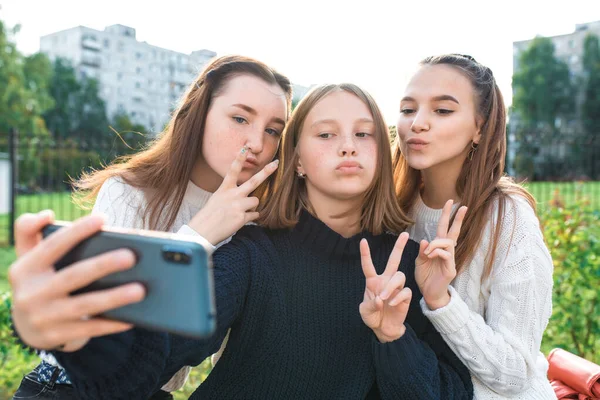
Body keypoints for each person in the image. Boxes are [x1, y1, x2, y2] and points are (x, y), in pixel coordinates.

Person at [11, 83, 473, 399]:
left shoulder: (409, 264)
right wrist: (79, 335)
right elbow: (152, 358)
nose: (348, 146)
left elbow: (451, 392)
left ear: (380, 151)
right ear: (297, 162)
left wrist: (393, 337)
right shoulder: (254, 252)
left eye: (363, 134)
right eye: (326, 134)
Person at [10, 54, 292, 399]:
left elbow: (236, 358)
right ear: (199, 113)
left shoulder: (254, 224)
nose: (258, 143)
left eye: (273, 130)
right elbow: (113, 335)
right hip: (69, 389)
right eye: (239, 118)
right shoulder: (129, 193)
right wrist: (199, 237)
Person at [394, 54, 556, 399]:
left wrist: (441, 301)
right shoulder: (395, 209)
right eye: (408, 109)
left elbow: (515, 373)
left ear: (480, 128)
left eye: (442, 111)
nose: (417, 123)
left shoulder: (508, 219)